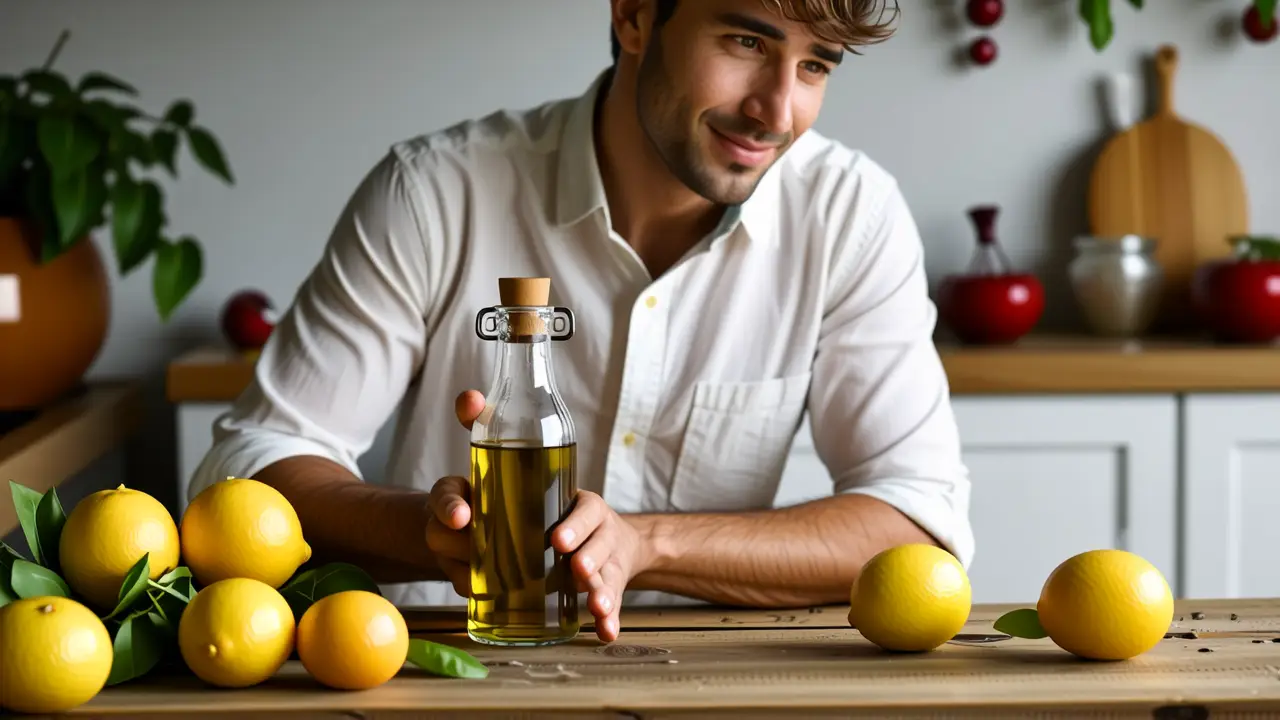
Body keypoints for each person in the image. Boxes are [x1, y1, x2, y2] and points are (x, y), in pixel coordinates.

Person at [190, 0, 973, 644]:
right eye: (745, 41)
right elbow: (251, 464)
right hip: (450, 669)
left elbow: (917, 521)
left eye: (815, 66)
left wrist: (647, 543)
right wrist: (424, 532)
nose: (777, 110)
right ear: (634, 16)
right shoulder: (434, 192)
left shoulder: (850, 215)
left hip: (716, 683)